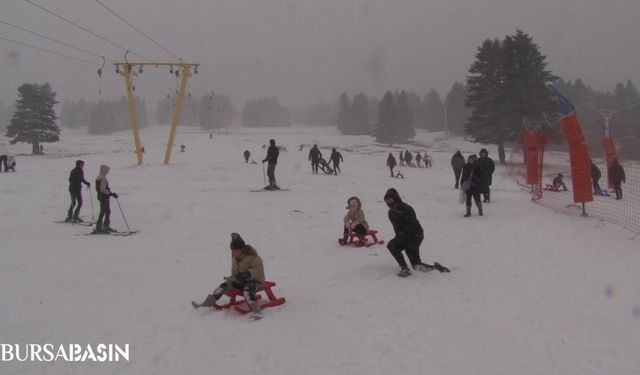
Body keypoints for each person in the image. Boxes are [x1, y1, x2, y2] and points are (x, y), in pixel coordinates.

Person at [192, 233, 265, 319]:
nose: (234, 253)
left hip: (255, 281)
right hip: (241, 281)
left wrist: (247, 274)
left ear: (242, 249)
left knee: (247, 291)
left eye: (236, 251)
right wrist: (232, 278)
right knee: (223, 286)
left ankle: (257, 312)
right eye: (233, 251)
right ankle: (205, 304)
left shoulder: (253, 257)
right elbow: (234, 272)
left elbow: (259, 271)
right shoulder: (234, 258)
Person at [383, 188, 434, 277]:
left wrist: (403, 235)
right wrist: (399, 236)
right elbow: (397, 227)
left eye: (390, 199)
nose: (389, 202)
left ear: (396, 198)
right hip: (402, 237)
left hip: (415, 236)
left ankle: (437, 269)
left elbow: (412, 224)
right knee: (392, 245)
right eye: (387, 200)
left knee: (416, 265)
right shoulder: (391, 212)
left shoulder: (406, 208)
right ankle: (404, 268)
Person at [93, 165, 118, 233]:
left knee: (106, 211)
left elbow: (99, 189)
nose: (107, 172)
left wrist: (110, 193)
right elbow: (102, 189)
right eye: (107, 171)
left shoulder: (98, 177)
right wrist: (111, 194)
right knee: (103, 212)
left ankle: (105, 226)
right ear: (104, 170)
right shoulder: (103, 178)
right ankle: (99, 228)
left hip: (101, 196)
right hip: (104, 197)